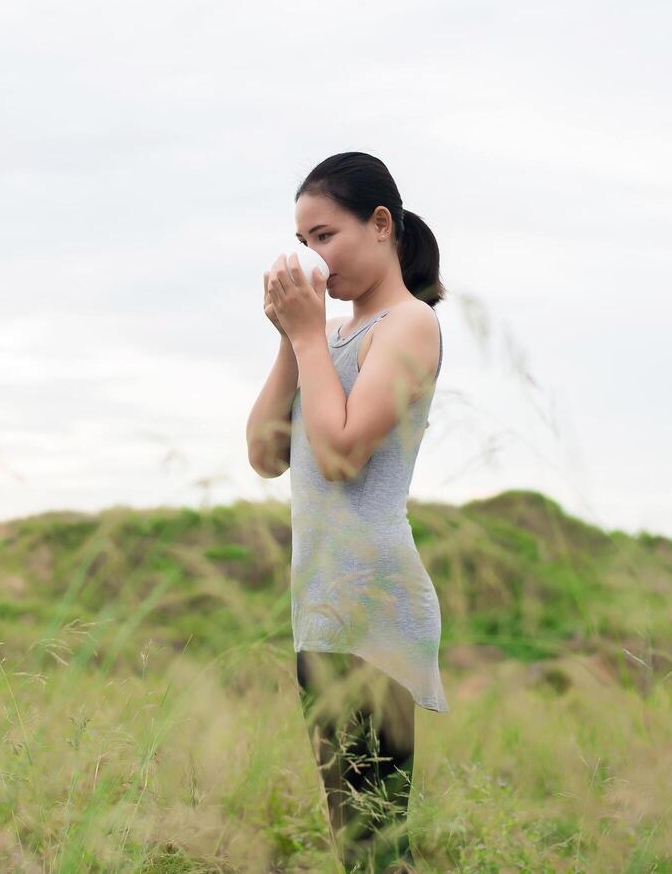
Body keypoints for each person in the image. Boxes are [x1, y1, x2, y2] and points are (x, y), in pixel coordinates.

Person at [245, 151, 448, 871]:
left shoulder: (410, 324)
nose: (315, 261)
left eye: (325, 235)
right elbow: (267, 455)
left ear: (381, 224)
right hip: (321, 606)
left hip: (375, 605)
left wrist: (306, 338)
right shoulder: (324, 338)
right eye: (304, 245)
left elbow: (338, 457)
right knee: (352, 839)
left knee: (373, 841)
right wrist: (291, 340)